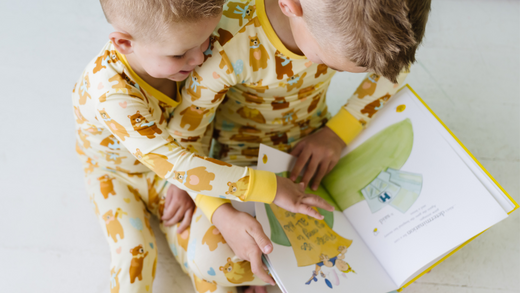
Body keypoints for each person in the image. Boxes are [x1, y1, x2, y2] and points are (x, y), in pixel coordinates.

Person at [167, 0, 431, 292]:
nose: (320, 68)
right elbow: (183, 137)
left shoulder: (355, 30)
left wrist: (338, 133)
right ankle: (271, 268)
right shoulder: (227, 39)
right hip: (238, 167)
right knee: (209, 260)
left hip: (316, 152)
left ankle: (272, 269)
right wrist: (216, 209)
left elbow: (396, 67)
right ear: (289, 6)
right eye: (327, 62)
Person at [72, 0, 332, 292]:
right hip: (117, 175)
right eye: (180, 54)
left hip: (181, 171)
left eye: (204, 41)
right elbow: (175, 164)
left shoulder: (184, 52)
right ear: (123, 43)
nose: (199, 58)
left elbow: (187, 148)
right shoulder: (108, 93)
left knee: (219, 266)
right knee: (135, 253)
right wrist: (269, 187)